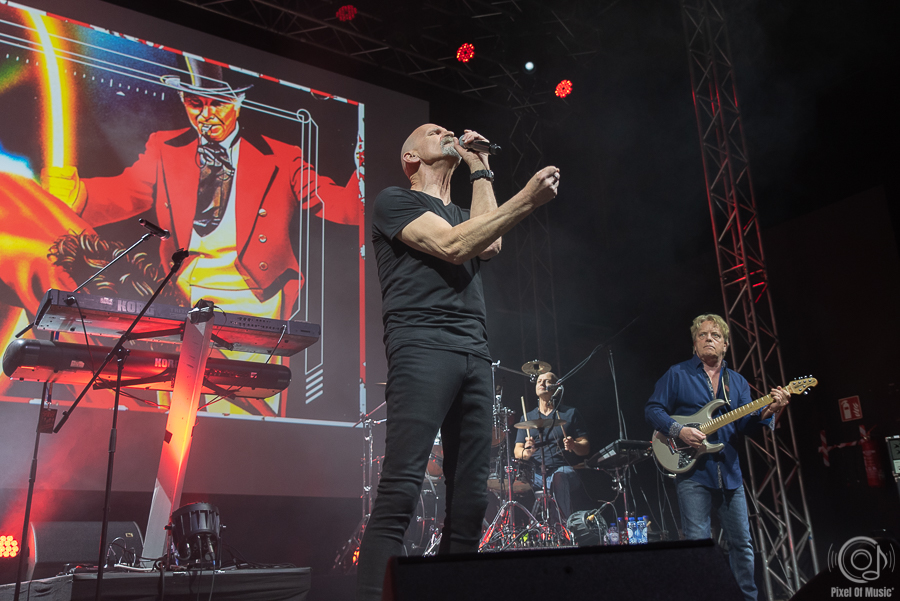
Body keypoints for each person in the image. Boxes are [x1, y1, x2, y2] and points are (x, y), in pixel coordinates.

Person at [356, 123, 560, 600]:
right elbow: (454, 246)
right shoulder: (395, 201)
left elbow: (489, 242)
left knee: (469, 501)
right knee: (400, 492)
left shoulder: (463, 214)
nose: (447, 132)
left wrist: (481, 167)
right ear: (411, 156)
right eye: (434, 131)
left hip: (475, 352)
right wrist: (528, 199)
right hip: (422, 347)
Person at [39, 56, 361, 319]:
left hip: (256, 299)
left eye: (218, 103)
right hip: (185, 294)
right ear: (183, 100)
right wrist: (76, 194)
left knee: (246, 381)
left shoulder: (282, 157)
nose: (207, 115)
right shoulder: (165, 148)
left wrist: (362, 171)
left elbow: (340, 205)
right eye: (195, 103)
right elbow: (128, 192)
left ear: (238, 101)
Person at [645, 314, 790, 601]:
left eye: (715, 335)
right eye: (702, 335)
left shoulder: (737, 382)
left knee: (743, 545)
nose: (708, 339)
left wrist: (772, 409)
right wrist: (679, 430)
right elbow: (652, 410)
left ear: (725, 344)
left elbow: (747, 425)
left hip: (730, 473)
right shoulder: (677, 374)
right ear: (694, 344)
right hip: (692, 473)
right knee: (698, 545)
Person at [514, 371, 590, 521]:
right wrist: (527, 453)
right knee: (513, 483)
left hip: (565, 470)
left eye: (546, 381)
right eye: (539, 381)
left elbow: (585, 447)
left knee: (558, 477)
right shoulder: (527, 418)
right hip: (536, 475)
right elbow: (517, 451)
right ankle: (525, 528)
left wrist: (574, 445)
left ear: (556, 387)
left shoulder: (569, 413)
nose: (541, 383)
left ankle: (562, 526)